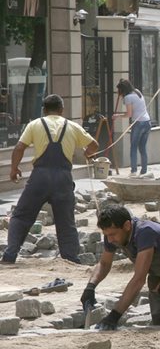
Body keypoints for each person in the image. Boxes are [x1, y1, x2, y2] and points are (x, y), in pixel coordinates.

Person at [0, 94, 98, 264]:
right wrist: (88, 154)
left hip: (40, 178)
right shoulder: (72, 126)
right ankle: (70, 258)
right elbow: (94, 145)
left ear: (44, 110)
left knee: (21, 216)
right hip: (63, 178)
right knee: (66, 221)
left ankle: (10, 254)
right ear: (61, 110)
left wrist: (14, 169)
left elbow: (19, 148)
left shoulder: (35, 124)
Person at [115, 79, 152, 176]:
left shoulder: (128, 97)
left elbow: (129, 114)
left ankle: (134, 171)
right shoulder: (137, 91)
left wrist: (118, 116)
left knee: (134, 147)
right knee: (142, 147)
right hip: (147, 122)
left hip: (138, 123)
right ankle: (144, 171)